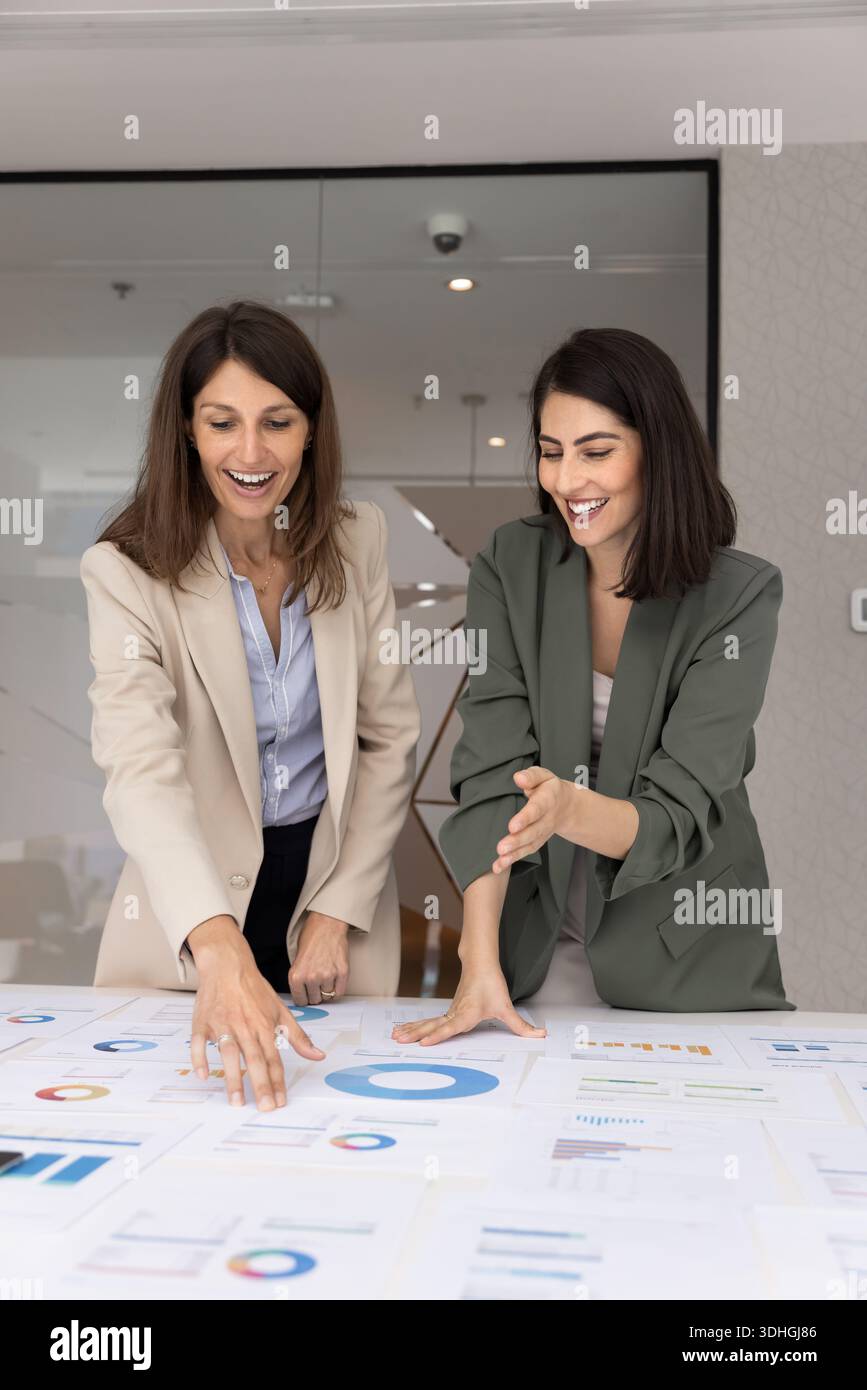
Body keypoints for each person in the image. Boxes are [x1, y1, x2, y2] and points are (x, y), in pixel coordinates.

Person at [394, 326, 793, 1048]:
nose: (568, 480)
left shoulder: (737, 595)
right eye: (551, 452)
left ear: (657, 452)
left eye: (597, 451)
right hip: (534, 942)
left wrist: (566, 808)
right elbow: (488, 774)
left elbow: (676, 812)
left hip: (683, 954)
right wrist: (477, 959)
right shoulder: (510, 565)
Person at [81, 299, 421, 1107]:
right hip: (187, 914)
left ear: (311, 431)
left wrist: (340, 908)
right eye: (221, 421)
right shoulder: (124, 570)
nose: (250, 451)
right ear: (187, 432)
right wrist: (217, 944)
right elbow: (141, 771)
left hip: (331, 904)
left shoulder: (356, 539)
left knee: (344, 1133)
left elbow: (388, 740)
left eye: (277, 421)